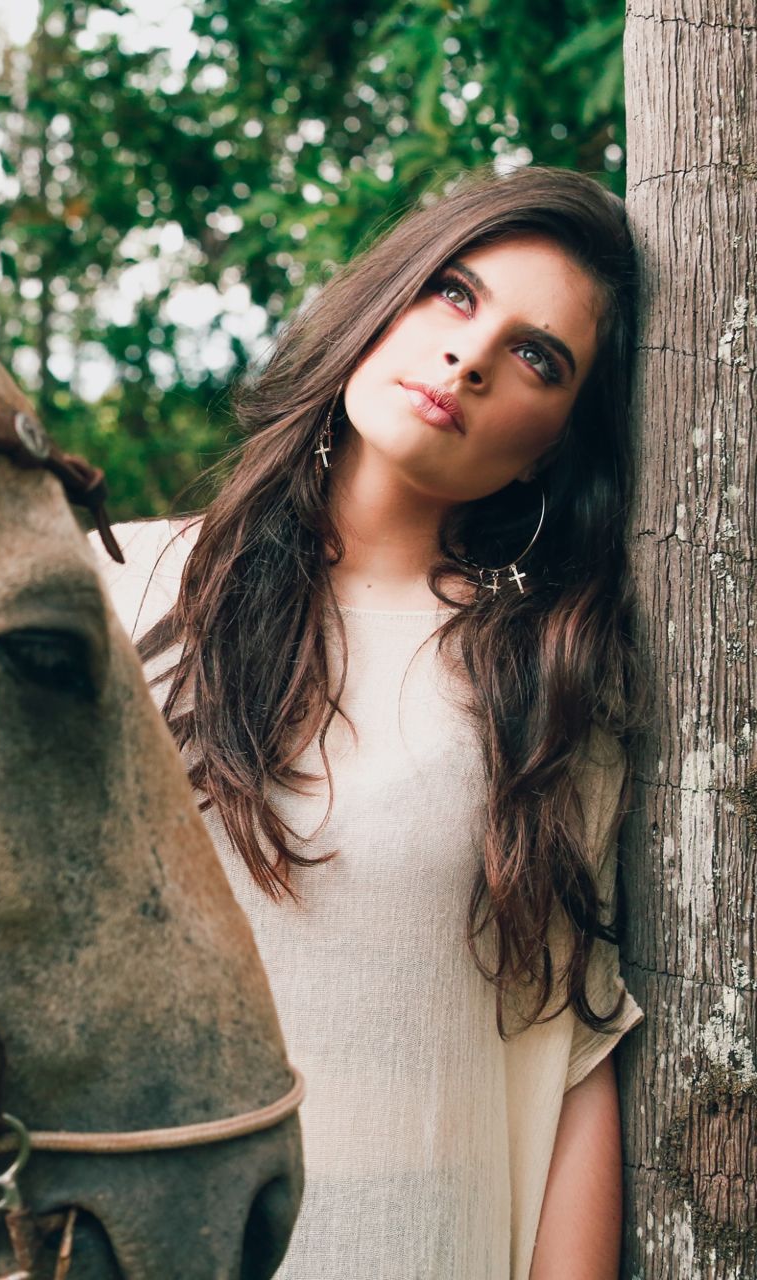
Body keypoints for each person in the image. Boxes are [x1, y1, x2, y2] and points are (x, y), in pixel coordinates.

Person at [93, 166, 645, 1279]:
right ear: (382, 300)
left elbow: (570, 1047)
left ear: (554, 444)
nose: (473, 353)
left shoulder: (546, 687)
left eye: (539, 355)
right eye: (452, 291)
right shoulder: (113, 593)